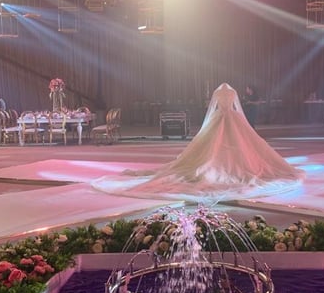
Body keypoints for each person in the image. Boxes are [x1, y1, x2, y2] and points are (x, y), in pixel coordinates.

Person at [92, 83, 303, 203]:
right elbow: (237, 109)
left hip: (220, 119)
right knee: (242, 147)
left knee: (211, 149)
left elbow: (213, 109)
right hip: (233, 119)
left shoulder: (218, 94)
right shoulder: (232, 93)